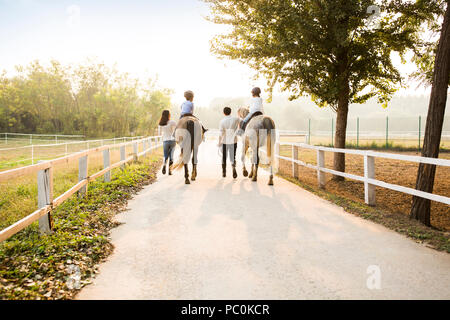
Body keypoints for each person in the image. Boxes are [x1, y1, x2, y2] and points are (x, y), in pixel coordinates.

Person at [218, 107, 240, 178]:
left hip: (225, 141)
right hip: (234, 141)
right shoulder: (236, 119)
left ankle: (224, 172)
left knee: (224, 157)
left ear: (223, 113)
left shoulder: (222, 121)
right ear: (230, 112)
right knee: (233, 156)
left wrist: (219, 142)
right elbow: (241, 121)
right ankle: (233, 167)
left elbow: (221, 133)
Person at [159, 110, 177, 175]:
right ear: (169, 115)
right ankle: (170, 171)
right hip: (172, 140)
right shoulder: (172, 122)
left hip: (165, 141)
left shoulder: (161, 123)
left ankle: (164, 165)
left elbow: (159, 134)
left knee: (166, 156)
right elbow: (177, 129)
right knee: (171, 156)